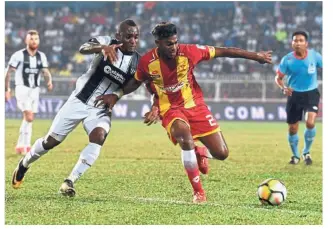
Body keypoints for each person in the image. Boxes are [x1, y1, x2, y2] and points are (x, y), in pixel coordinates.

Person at [95, 22, 272, 203]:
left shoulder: (190, 52)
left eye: (175, 42)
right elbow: (136, 82)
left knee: (222, 153)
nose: (174, 47)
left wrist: (256, 56)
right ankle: (198, 192)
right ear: (158, 43)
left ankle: (200, 152)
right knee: (184, 137)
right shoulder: (147, 62)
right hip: (170, 109)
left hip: (196, 106)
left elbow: (224, 51)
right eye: (169, 44)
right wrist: (118, 96)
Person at [11, 19, 141, 197]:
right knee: (51, 141)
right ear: (119, 35)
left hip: (100, 107)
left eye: (136, 37)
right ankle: (24, 164)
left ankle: (69, 181)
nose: (133, 40)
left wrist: (117, 94)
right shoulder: (106, 41)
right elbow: (84, 47)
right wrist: (101, 48)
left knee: (99, 136)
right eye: (128, 36)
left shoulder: (137, 62)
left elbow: (135, 83)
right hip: (78, 100)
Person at [275, 31, 322, 165]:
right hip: (294, 95)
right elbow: (278, 77)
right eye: (295, 40)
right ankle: (295, 155)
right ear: (292, 43)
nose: (298, 43)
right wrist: (283, 87)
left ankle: (306, 152)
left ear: (306, 43)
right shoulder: (287, 59)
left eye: (301, 40)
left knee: (310, 122)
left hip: (311, 93)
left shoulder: (314, 56)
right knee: (293, 128)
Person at [5, 30, 53, 155]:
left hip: (34, 90)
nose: (34, 41)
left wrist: (49, 82)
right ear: (26, 40)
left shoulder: (41, 56)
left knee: (28, 119)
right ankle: (27, 147)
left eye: (36, 39)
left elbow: (45, 71)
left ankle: (20, 146)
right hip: (22, 88)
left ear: (39, 40)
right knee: (29, 117)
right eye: (31, 39)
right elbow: (8, 73)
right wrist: (7, 89)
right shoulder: (18, 55)